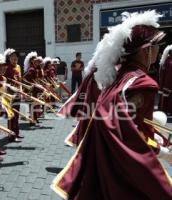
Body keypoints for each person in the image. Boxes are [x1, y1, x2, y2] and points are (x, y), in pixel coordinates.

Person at [52, 10, 172, 199]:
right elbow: (126, 129)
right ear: (145, 49)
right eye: (156, 45)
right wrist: (162, 152)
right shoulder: (143, 83)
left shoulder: (119, 77)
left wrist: (153, 135)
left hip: (107, 158)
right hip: (124, 163)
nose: (158, 50)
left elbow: (122, 122)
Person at [4, 48, 23, 142]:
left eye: (16, 57)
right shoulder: (6, 68)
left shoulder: (18, 67)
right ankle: (11, 135)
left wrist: (21, 91)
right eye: (12, 57)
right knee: (11, 115)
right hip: (9, 94)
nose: (15, 58)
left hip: (18, 93)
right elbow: (4, 82)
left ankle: (17, 133)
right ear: (9, 58)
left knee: (17, 114)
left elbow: (19, 81)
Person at [23, 52, 43, 125]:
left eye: (37, 61)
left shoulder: (35, 68)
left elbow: (40, 77)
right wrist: (34, 83)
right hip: (31, 89)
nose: (37, 62)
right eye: (35, 61)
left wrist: (40, 68)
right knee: (32, 105)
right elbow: (27, 79)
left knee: (35, 104)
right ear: (32, 61)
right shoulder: (31, 69)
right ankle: (32, 120)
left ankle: (35, 118)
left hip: (35, 89)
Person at [159, 45, 172, 115]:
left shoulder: (167, 61)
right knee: (167, 98)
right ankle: (166, 110)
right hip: (168, 83)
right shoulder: (169, 61)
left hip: (167, 83)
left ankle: (165, 110)